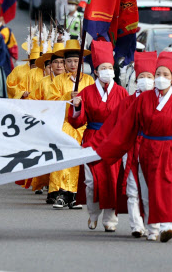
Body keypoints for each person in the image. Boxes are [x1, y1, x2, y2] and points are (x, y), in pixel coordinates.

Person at [95, 51, 172, 243]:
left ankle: (167, 226)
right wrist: (106, 149)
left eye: (165, 75)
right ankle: (152, 230)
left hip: (171, 151)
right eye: (158, 74)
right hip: (147, 149)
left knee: (169, 189)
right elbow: (126, 127)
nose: (160, 78)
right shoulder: (143, 99)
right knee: (148, 191)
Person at [68, 40, 127, 232]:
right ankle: (93, 214)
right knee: (91, 181)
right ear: (96, 71)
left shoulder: (121, 92)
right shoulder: (86, 92)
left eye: (110, 67)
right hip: (92, 138)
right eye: (103, 68)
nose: (108, 71)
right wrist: (77, 106)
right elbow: (77, 121)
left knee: (112, 180)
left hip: (113, 140)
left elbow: (127, 119)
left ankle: (110, 220)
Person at [109, 51, 157, 238]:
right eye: (142, 77)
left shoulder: (161, 102)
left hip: (152, 149)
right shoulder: (127, 102)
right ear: (136, 80)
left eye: (149, 77)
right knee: (132, 190)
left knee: (150, 190)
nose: (146, 80)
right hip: (130, 149)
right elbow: (116, 128)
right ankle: (136, 225)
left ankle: (150, 224)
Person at [43, 41, 84, 209]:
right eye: (69, 61)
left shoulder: (88, 80)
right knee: (62, 159)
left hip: (82, 126)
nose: (72, 64)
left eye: (76, 61)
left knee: (78, 161)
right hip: (64, 124)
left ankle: (74, 194)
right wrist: (68, 95)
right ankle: (61, 192)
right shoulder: (58, 81)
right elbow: (51, 101)